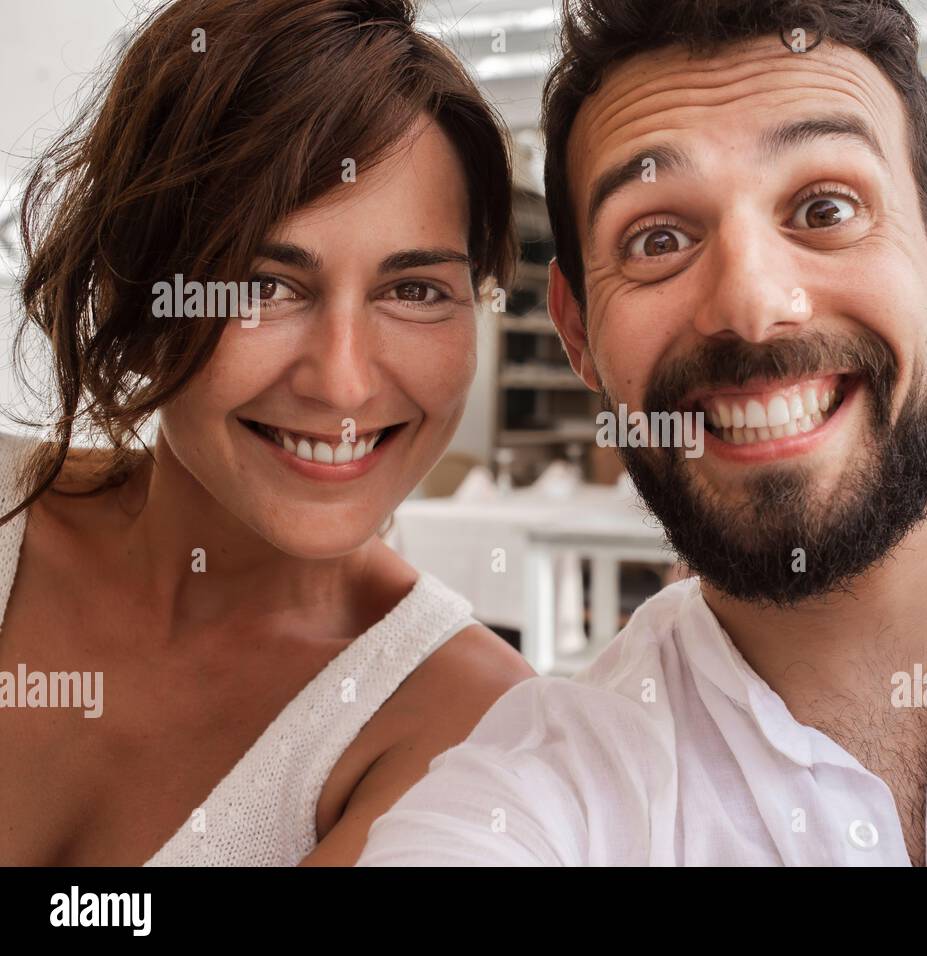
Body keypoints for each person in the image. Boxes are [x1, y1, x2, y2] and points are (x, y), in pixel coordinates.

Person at [361, 0, 927, 866]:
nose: (752, 304)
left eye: (826, 210)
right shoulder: (537, 793)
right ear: (577, 332)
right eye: (656, 238)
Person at [0, 0, 532, 866]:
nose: (344, 380)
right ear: (135, 292)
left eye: (415, 291)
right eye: (264, 285)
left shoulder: (471, 728)